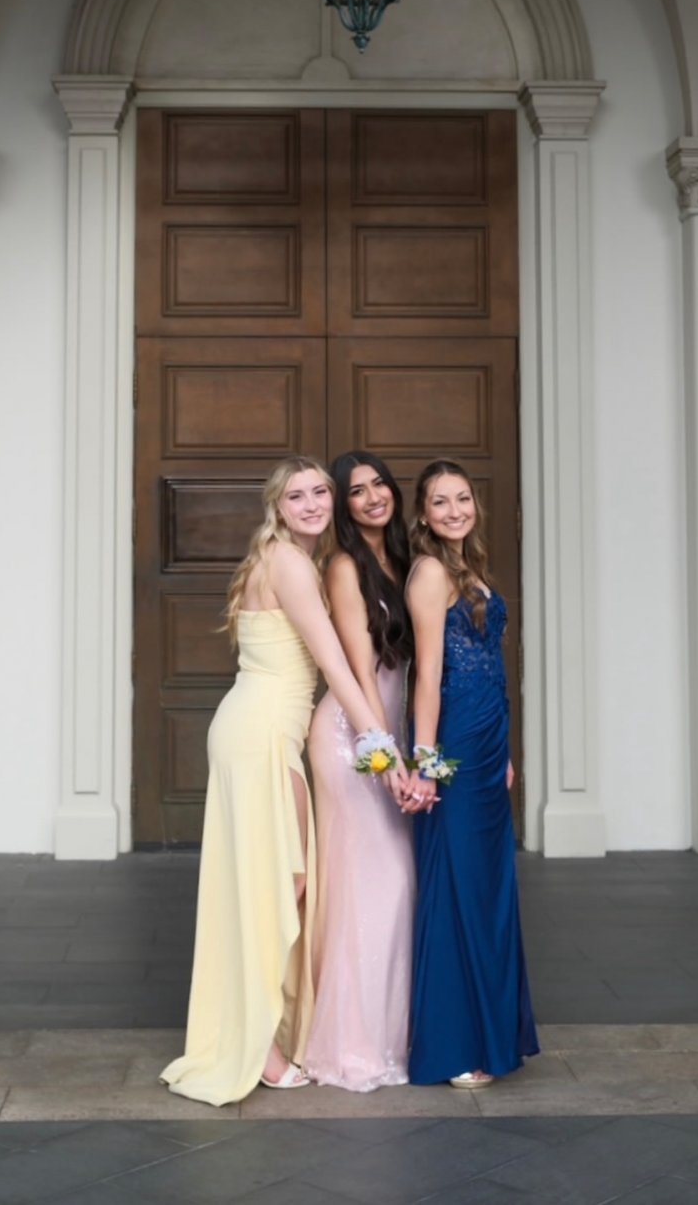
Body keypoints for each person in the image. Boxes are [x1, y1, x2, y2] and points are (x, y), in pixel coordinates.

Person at [160, 455, 401, 1107]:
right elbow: (334, 663)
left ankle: (262, 1032)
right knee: (279, 886)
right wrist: (381, 751)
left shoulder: (288, 558)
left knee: (273, 886)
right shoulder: (290, 563)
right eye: (297, 496)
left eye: (321, 492)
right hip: (261, 736)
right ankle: (259, 1049)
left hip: (260, 732)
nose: (313, 503)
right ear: (277, 505)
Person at [405, 458, 540, 1088]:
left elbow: (490, 665)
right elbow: (428, 675)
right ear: (423, 513)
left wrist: (504, 752)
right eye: (440, 502)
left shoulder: (469, 568)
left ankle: (493, 1034)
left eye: (462, 498)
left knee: (488, 888)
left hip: (487, 745)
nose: (455, 510)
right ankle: (455, 1045)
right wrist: (427, 762)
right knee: (458, 885)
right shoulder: (431, 572)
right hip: (454, 743)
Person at [303, 451, 416, 1092]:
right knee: (373, 886)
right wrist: (385, 755)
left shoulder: (404, 558)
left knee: (394, 888)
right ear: (343, 508)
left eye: (379, 484)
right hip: (353, 742)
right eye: (356, 491)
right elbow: (358, 669)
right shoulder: (345, 567)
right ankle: (353, 1046)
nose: (373, 496)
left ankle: (393, 1036)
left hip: (387, 738)